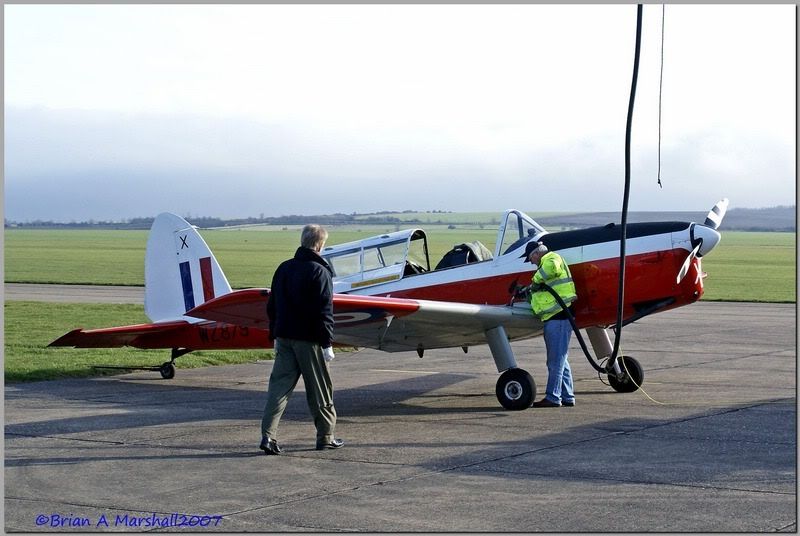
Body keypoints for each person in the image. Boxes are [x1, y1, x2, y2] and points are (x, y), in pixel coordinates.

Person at [259, 224, 343, 454]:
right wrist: (327, 344)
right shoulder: (320, 271)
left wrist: (274, 333)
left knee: (278, 389)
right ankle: (326, 436)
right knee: (320, 390)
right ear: (320, 244)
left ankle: (268, 436)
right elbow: (324, 311)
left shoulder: (284, 268)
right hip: (309, 341)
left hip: (284, 336)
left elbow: (272, 305)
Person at [525, 241, 578, 408]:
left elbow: (552, 269)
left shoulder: (551, 258)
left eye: (530, 259)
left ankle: (553, 397)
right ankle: (567, 396)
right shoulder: (548, 262)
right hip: (557, 317)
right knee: (561, 360)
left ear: (535, 254)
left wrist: (535, 280)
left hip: (559, 318)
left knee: (555, 361)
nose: (532, 263)